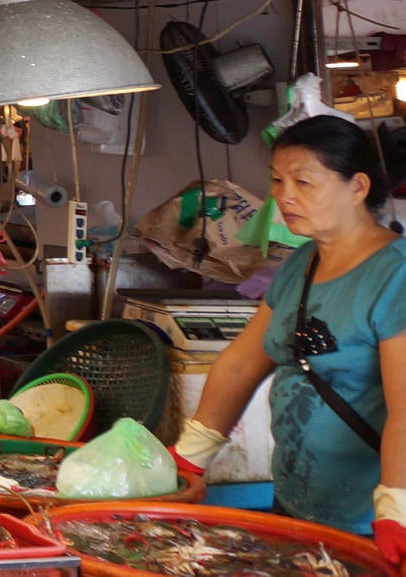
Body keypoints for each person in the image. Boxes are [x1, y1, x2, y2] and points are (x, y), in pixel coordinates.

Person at [174, 117, 406, 542]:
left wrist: (396, 510)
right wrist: (189, 455)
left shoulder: (396, 276)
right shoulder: (300, 264)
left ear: (357, 187)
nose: (284, 196)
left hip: (368, 526)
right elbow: (242, 364)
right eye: (277, 181)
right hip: (295, 506)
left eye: (303, 182)